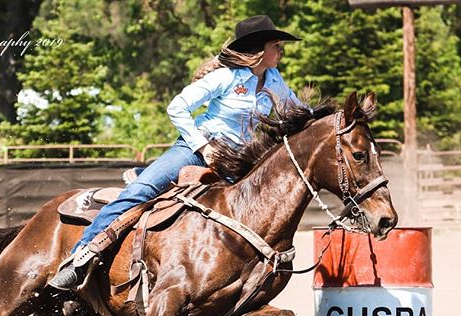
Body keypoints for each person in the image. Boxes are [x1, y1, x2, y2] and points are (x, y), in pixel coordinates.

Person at [49, 15, 307, 290]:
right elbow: (177, 107)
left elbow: (300, 112)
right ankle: (81, 257)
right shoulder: (225, 77)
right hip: (196, 151)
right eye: (277, 45)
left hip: (237, 163)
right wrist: (203, 147)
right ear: (259, 49)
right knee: (139, 193)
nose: (281, 51)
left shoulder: (275, 80)